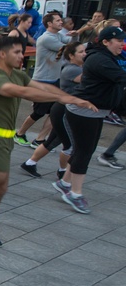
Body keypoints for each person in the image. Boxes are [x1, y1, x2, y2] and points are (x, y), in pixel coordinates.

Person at [0, 36, 95, 246]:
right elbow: (25, 92)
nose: (22, 56)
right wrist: (67, 99)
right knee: (0, 187)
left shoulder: (16, 74)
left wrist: (65, 95)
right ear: (2, 54)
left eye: (21, 52)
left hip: (5, 139)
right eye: (17, 52)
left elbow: (42, 87)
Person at [54, 25, 126, 214]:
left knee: (83, 149)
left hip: (94, 111)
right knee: (85, 151)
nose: (122, 44)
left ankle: (65, 182)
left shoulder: (108, 57)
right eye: (119, 41)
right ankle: (75, 194)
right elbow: (122, 78)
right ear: (105, 42)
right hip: (83, 112)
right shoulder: (100, 60)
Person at [21, 41, 86, 179]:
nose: (84, 54)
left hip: (63, 110)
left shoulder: (76, 67)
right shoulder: (73, 69)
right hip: (63, 111)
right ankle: (63, 173)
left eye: (84, 51)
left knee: (53, 141)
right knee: (70, 146)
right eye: (81, 52)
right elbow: (92, 80)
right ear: (71, 55)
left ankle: (30, 163)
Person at [14, 12, 73, 146]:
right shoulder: (46, 38)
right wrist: (83, 31)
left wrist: (78, 34)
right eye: (58, 21)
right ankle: (19, 133)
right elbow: (69, 48)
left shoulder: (58, 35)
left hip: (55, 79)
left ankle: (40, 139)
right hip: (43, 81)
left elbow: (71, 42)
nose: (61, 22)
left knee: (55, 112)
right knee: (39, 112)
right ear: (49, 24)